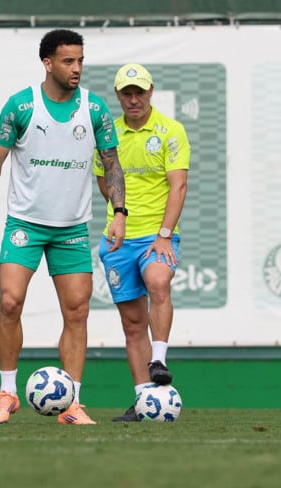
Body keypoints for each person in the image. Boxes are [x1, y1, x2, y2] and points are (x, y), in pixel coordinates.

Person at [0, 29, 126, 425]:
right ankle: (7, 392)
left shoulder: (94, 110)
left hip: (71, 228)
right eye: (69, 61)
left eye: (80, 61)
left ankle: (72, 404)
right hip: (26, 223)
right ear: (48, 63)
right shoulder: (21, 106)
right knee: (9, 302)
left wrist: (119, 212)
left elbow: (111, 163)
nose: (77, 68)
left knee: (77, 311)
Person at [93, 63, 190, 422]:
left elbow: (178, 185)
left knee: (159, 281)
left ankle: (159, 359)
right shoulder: (108, 134)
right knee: (132, 325)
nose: (133, 99)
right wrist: (119, 214)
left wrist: (165, 233)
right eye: (126, 93)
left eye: (139, 92)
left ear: (151, 91)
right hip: (118, 239)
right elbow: (104, 183)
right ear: (118, 95)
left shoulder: (170, 130)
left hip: (156, 235)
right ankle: (143, 401)